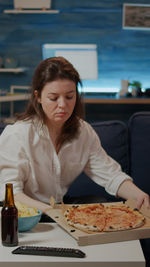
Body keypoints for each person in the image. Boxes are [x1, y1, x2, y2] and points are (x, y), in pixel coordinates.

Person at [0, 56, 149, 213]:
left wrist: (138, 195)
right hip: (24, 213)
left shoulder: (83, 132)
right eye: (54, 98)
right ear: (38, 97)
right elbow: (10, 193)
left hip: (57, 208)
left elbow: (111, 176)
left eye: (70, 96)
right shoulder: (17, 135)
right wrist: (53, 213)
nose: (63, 105)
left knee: (98, 203)